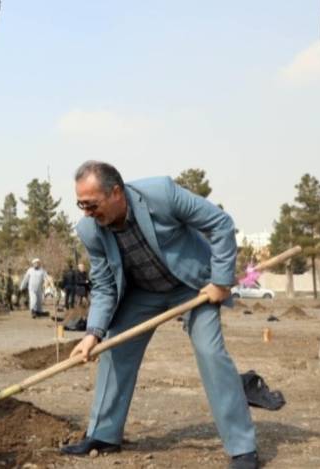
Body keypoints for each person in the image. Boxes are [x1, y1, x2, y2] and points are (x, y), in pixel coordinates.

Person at [62, 161, 258, 469]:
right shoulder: (90, 229)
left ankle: (242, 447)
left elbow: (220, 223)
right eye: (81, 205)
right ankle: (103, 434)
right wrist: (92, 334)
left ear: (116, 192)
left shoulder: (162, 194)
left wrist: (220, 281)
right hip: (141, 293)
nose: (87, 212)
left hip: (192, 286)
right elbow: (103, 285)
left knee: (210, 353)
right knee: (114, 349)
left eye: (91, 204)